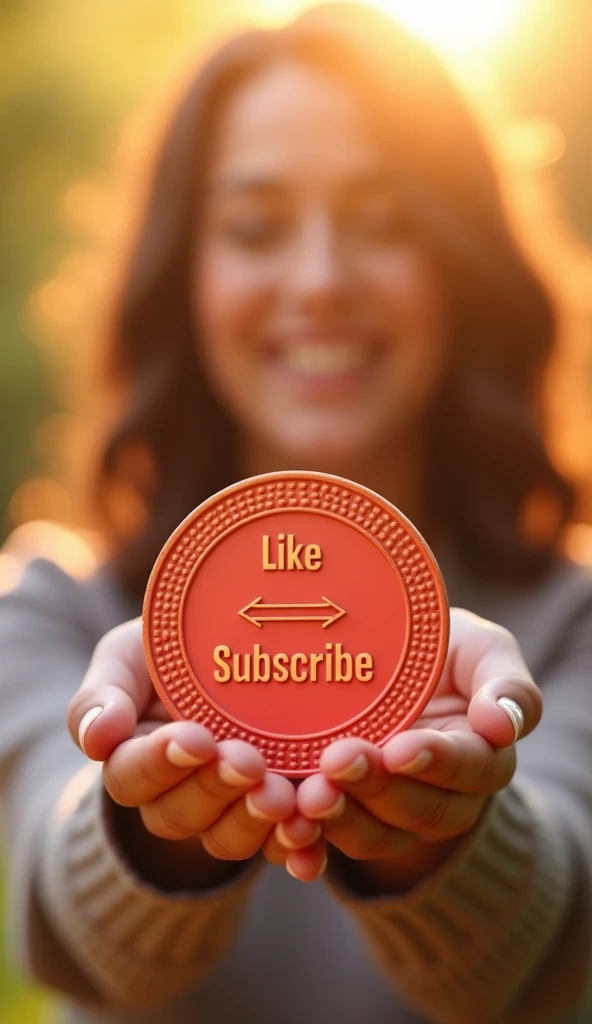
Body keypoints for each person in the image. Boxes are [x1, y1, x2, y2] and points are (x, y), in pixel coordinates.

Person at [0, 3, 591, 1022]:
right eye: (254, 227)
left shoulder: (570, 621)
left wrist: (437, 834)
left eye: (384, 222)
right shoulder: (52, 604)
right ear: (181, 278)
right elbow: (65, 926)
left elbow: (551, 938)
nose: (319, 282)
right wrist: (151, 822)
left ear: (460, 265)